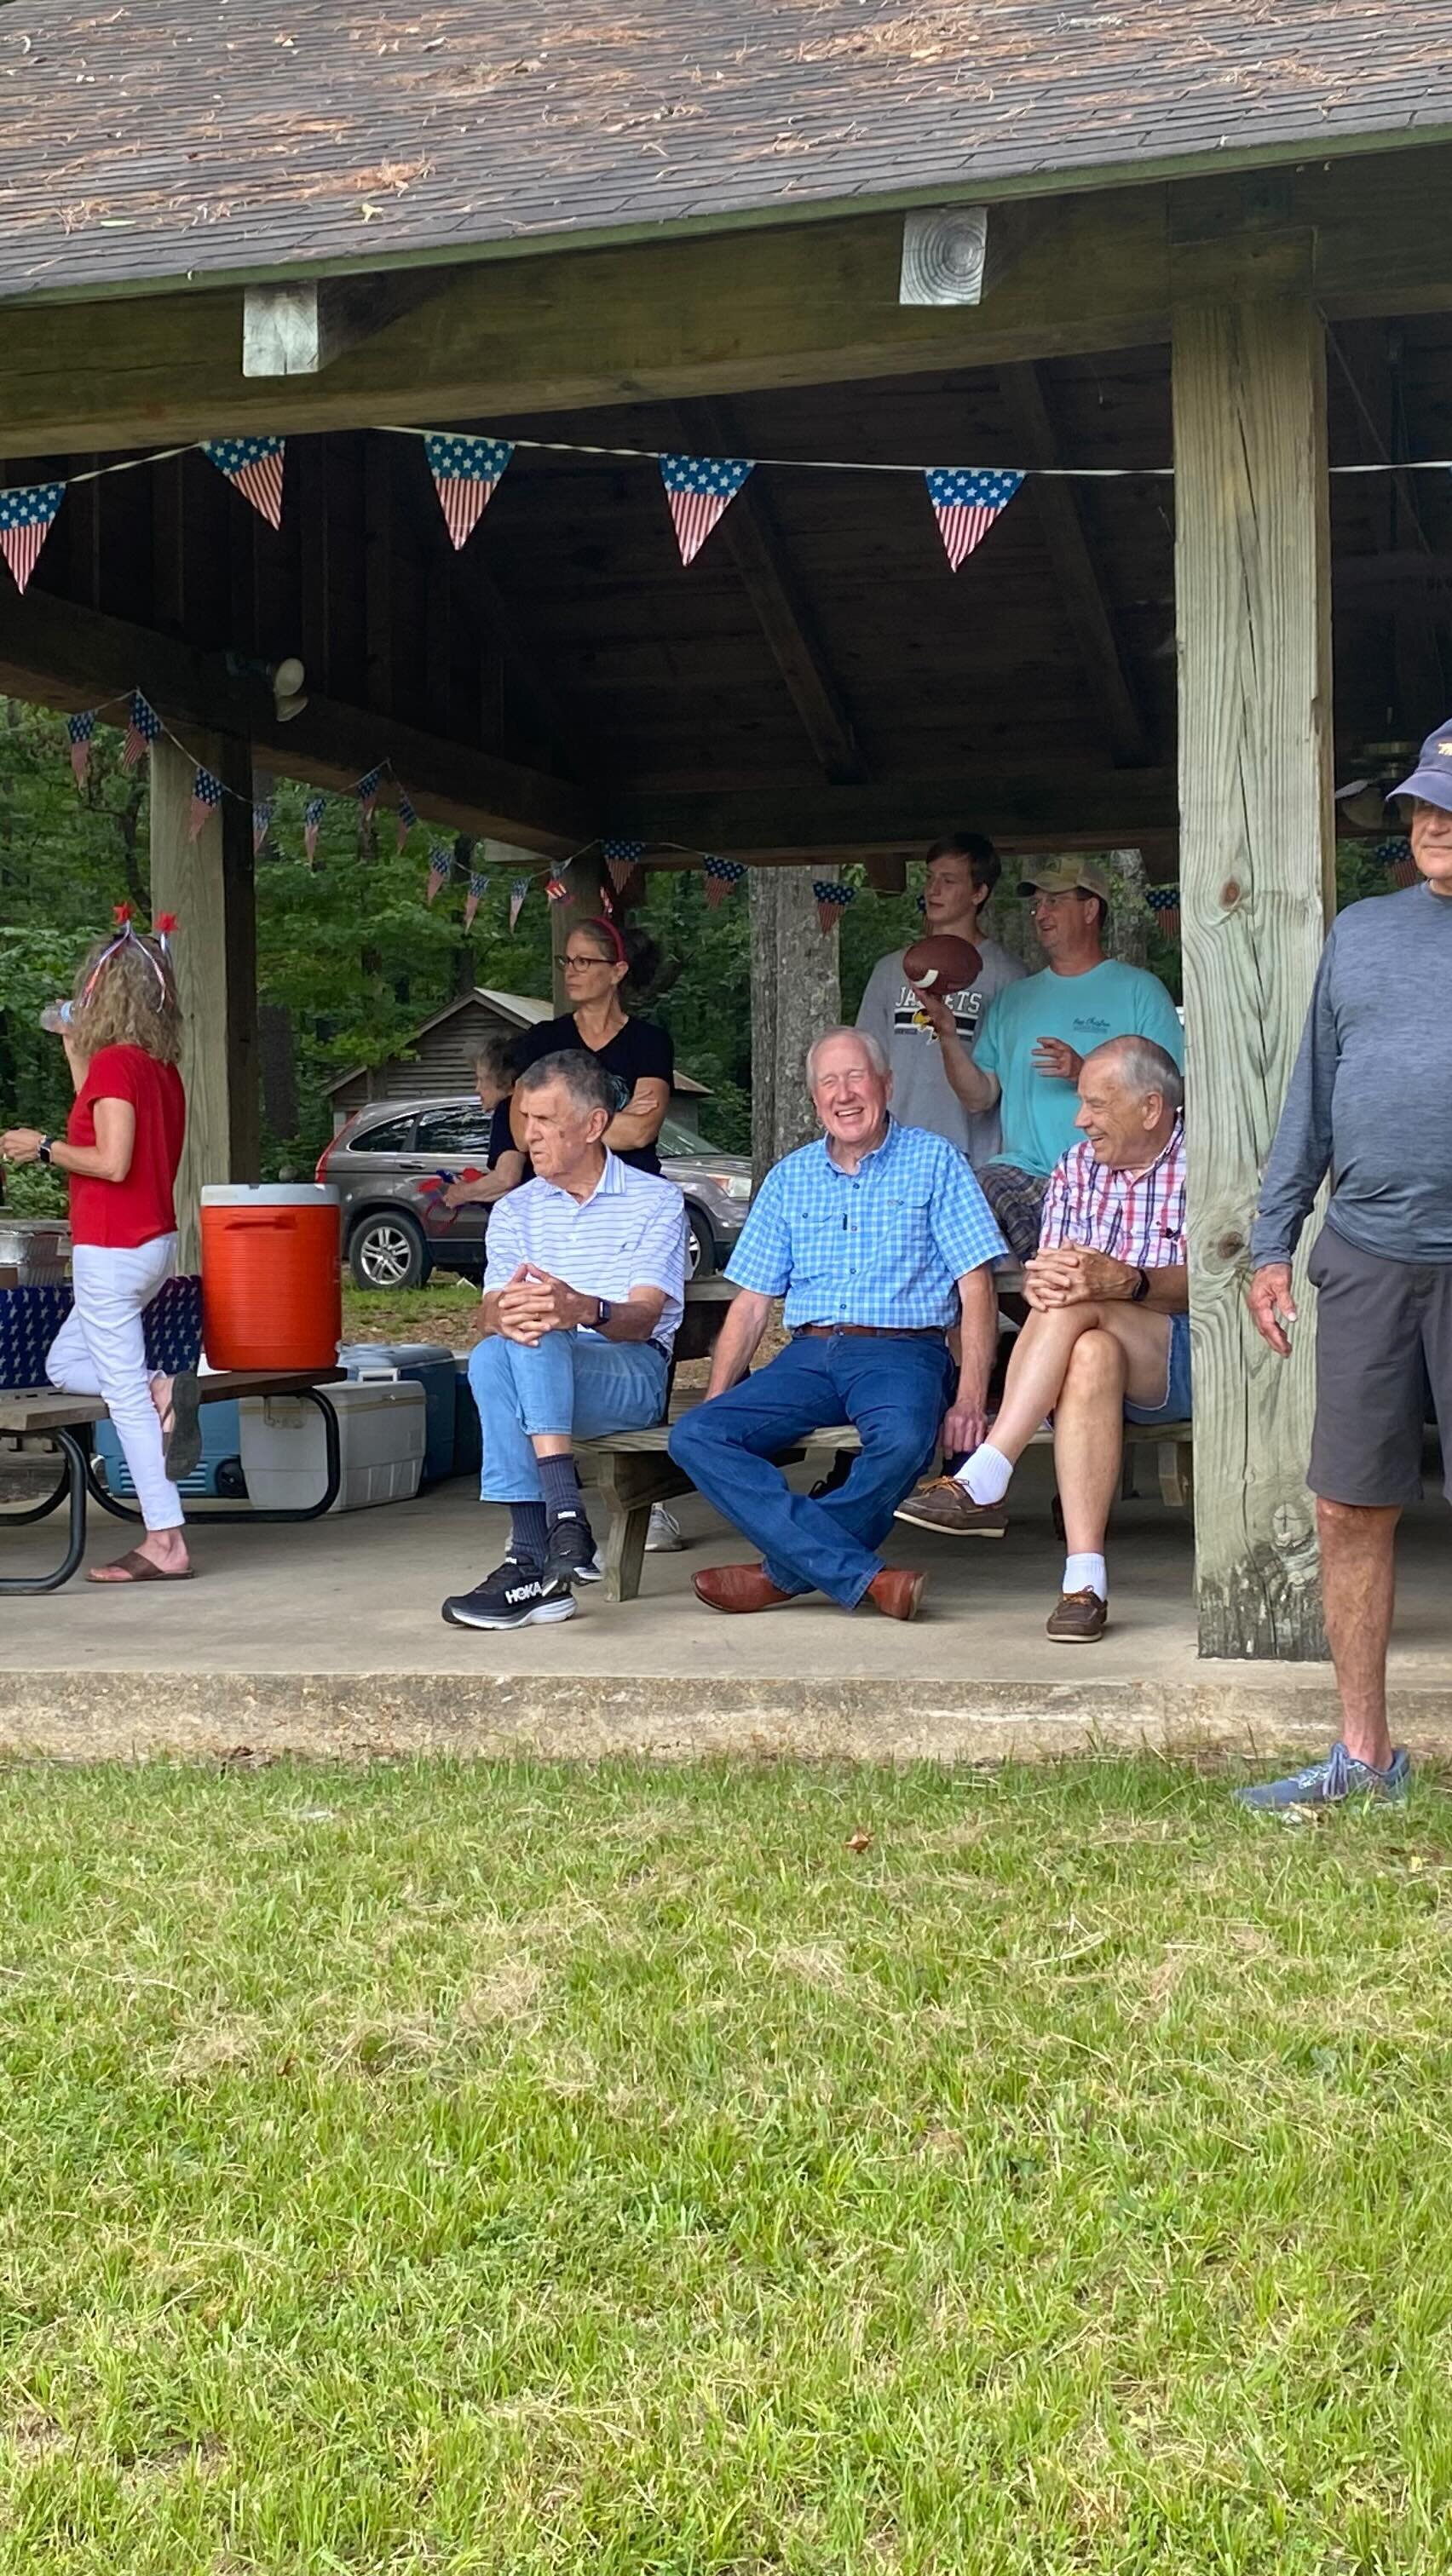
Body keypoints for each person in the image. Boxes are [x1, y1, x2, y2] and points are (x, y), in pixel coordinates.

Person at [1235, 725, 1452, 1808]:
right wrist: (1272, 1244)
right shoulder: (1362, 935)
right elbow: (1307, 1108)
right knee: (1347, 1506)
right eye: (1423, 806)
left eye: (1451, 808)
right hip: (1367, 1255)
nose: (1433, 825)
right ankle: (1364, 1758)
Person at [668, 1028, 1005, 1621]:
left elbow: (974, 1287)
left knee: (904, 1441)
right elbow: (750, 1304)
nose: (844, 1094)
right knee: (695, 1435)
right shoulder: (788, 1178)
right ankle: (866, 1578)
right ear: (813, 1097)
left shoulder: (936, 1161)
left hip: (903, 1353)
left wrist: (971, 1397)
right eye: (829, 1082)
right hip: (808, 1356)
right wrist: (720, 1397)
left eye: (856, 1077)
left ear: (886, 1085)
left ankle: (782, 1573)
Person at [896, 1038, 1187, 1639]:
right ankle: (1084, 1584)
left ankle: (988, 1471)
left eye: (1096, 1105)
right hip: (1094, 1351)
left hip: (1187, 1355)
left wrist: (1129, 1282)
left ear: (1151, 1107)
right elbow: (1045, 1285)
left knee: (1081, 1308)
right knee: (1088, 1349)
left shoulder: (1213, 1161)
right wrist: (1052, 1286)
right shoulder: (1076, 1166)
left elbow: (1225, 1277)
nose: (1081, 1120)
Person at [442, 1050, 688, 1632]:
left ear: (594, 1125)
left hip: (627, 1374)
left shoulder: (655, 1201)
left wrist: (581, 1308)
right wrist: (504, 1313)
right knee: (497, 1348)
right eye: (525, 1119)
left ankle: (537, 1543)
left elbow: (645, 1320)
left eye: (546, 1121)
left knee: (534, 1336)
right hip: (542, 1369)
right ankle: (555, 1548)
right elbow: (489, 1312)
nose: (529, 1136)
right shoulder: (514, 1211)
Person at [1, 915, 196, 1584]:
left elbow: (110, 1160)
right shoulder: (154, 1068)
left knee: (124, 1400)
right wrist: (71, 1044)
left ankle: (165, 1539)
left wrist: (42, 1147)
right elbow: (97, 1102)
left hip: (112, 1246)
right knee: (65, 1362)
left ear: (105, 993)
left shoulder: (119, 1065)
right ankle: (160, 1387)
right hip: (151, 1243)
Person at [911, 859, 1184, 1259]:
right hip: (1025, 1173)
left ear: (1091, 910)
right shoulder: (1015, 998)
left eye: (1055, 901)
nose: (1041, 914)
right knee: (966, 1200)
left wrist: (1082, 1072)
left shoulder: (1140, 990)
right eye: (1037, 904)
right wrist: (949, 1036)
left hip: (1112, 1174)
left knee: (1070, 1274)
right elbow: (979, 1096)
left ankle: (1050, 1303)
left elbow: (1170, 1092)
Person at [855, 831, 1025, 1165]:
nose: (933, 890)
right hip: (894, 1153)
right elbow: (864, 1064)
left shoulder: (1010, 976)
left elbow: (1015, 1084)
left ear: (979, 893)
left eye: (948, 881)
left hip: (973, 1157)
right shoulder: (890, 970)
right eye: (930, 878)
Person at [510, 917, 674, 1174]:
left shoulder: (649, 1041)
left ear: (617, 972)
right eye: (567, 960)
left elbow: (640, 1132)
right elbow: (522, 1133)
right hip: (556, 1193)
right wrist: (618, 1118)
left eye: (583, 962)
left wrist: (554, 1124)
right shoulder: (542, 1039)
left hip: (631, 1193)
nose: (570, 971)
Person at [438, 1034, 528, 1212]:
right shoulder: (527, 1108)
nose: (477, 1088)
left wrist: (462, 1192)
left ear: (503, 1079)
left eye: (481, 1079)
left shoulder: (507, 1110)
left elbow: (507, 1178)